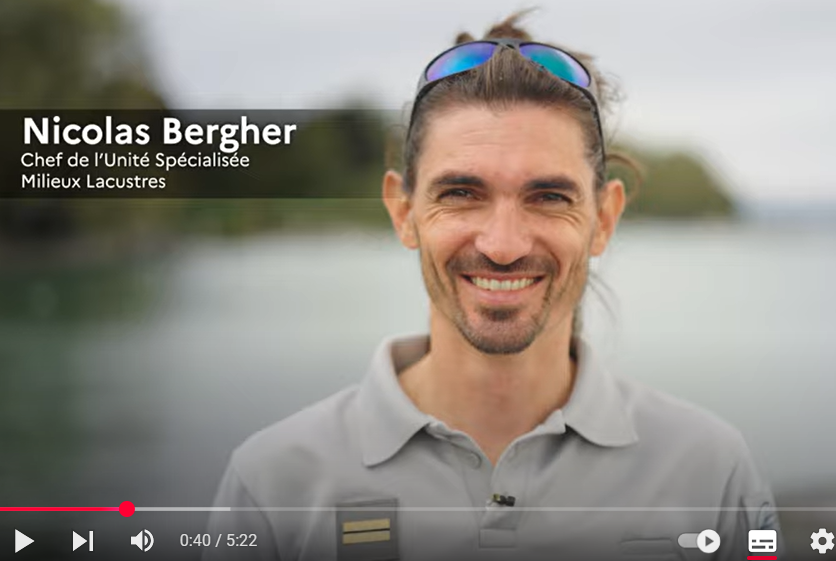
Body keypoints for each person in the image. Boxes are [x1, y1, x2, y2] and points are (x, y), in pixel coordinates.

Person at [203, 12, 781, 561]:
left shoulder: (711, 472)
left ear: (604, 219)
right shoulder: (274, 483)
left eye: (549, 197)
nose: (503, 246)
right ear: (403, 211)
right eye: (461, 193)